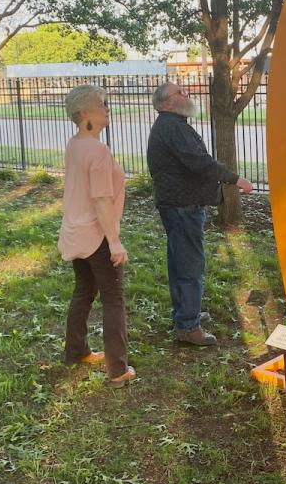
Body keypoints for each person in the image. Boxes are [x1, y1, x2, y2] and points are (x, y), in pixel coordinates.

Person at [147, 82, 253, 346]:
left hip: (178, 204)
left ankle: (186, 314)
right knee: (190, 265)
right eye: (180, 92)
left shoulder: (174, 124)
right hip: (182, 206)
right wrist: (235, 179)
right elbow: (200, 162)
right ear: (166, 103)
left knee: (180, 262)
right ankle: (188, 327)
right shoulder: (171, 126)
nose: (187, 94)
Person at [57, 84, 135, 387]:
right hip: (97, 236)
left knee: (84, 292)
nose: (107, 108)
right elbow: (101, 199)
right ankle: (118, 370)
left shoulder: (75, 144)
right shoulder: (98, 150)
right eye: (102, 104)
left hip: (75, 232)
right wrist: (114, 241)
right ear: (85, 113)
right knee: (113, 300)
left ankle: (76, 351)